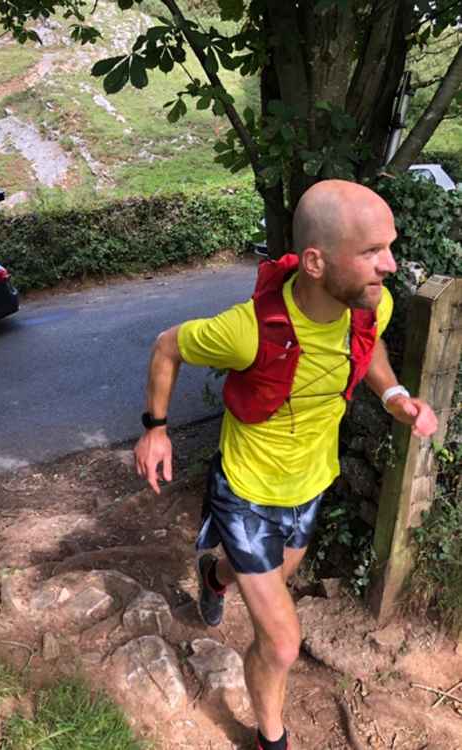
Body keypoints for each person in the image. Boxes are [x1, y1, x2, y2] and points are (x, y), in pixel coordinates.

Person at [134, 179, 438, 750]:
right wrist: (155, 431)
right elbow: (167, 346)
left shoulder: (369, 301)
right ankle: (272, 739)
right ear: (317, 262)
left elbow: (368, 348)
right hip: (245, 493)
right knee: (280, 642)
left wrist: (395, 396)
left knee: (273, 574)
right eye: (372, 252)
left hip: (310, 485)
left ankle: (214, 576)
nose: (390, 265)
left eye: (389, 248)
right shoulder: (248, 330)